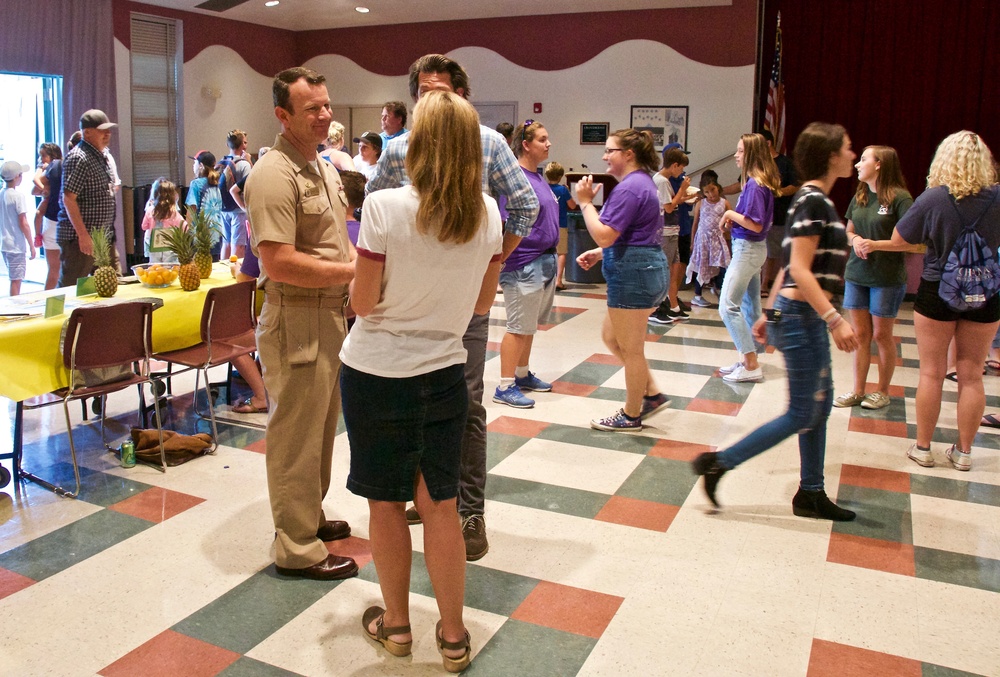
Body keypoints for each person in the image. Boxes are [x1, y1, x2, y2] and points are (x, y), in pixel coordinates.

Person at [342, 90, 502, 675]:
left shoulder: (384, 207)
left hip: (377, 373)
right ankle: (454, 637)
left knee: (386, 502)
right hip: (445, 372)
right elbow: (481, 303)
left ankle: (398, 626)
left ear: (418, 146)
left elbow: (362, 303)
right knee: (441, 504)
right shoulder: (488, 213)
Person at [366, 53, 539, 561]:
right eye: (423, 92)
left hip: (466, 304)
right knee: (410, 401)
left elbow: (524, 205)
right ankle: (428, 496)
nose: (431, 100)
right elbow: (374, 206)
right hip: (406, 301)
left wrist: (491, 261)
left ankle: (469, 511)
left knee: (465, 404)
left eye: (441, 91)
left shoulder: (488, 143)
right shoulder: (398, 148)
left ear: (462, 95)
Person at [693, 122, 860, 521]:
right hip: (806, 318)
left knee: (818, 408)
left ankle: (811, 492)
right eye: (848, 148)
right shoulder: (813, 201)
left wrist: (770, 311)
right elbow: (799, 268)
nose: (852, 155)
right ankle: (719, 463)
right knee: (803, 412)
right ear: (831, 156)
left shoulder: (813, 200)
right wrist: (834, 319)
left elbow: (787, 264)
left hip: (800, 316)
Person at [244, 66, 358, 581]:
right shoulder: (274, 174)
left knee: (321, 428)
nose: (325, 115)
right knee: (295, 435)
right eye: (312, 108)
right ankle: (295, 546)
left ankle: (308, 515)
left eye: (327, 105)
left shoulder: (323, 167)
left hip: (328, 315)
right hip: (296, 318)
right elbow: (279, 261)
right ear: (282, 115)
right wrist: (355, 272)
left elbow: (336, 241)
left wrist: (355, 281)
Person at [860, 131, 1000, 471]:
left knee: (932, 373)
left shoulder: (934, 198)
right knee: (972, 375)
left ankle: (923, 448)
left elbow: (899, 237)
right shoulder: (998, 197)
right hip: (986, 293)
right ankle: (964, 453)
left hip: (938, 289)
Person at [574, 129, 670, 431]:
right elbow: (632, 234)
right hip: (641, 267)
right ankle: (651, 394)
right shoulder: (640, 183)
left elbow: (604, 234)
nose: (605, 156)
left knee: (631, 349)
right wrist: (601, 253)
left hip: (634, 274)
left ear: (628, 154)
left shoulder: (630, 188)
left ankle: (631, 414)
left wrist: (585, 203)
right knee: (612, 338)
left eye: (609, 150)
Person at [832, 146, 915, 411]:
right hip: (857, 274)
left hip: (886, 278)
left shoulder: (900, 198)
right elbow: (849, 231)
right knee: (860, 334)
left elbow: (910, 242)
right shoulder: (860, 195)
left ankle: (882, 391)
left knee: (881, 335)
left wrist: (876, 245)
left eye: (864, 159)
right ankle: (858, 390)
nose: (858, 164)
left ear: (879, 164)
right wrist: (856, 240)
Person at [493, 121, 559, 409]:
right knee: (518, 326)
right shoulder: (516, 179)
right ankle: (505, 385)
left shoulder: (538, 177)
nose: (548, 144)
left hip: (544, 260)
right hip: (524, 262)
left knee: (528, 326)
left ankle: (521, 374)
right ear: (526, 144)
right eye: (542, 139)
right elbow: (507, 222)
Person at [716, 133, 781, 383]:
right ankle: (748, 358)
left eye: (740, 151)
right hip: (752, 249)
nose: (736, 155)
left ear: (752, 154)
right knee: (750, 305)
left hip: (748, 250)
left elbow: (755, 224)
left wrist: (729, 215)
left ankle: (751, 363)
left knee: (727, 306)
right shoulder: (756, 183)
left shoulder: (754, 184)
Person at [56, 109, 119, 287]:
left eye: (109, 130)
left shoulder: (101, 156)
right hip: (81, 241)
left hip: (103, 237)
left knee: (113, 284)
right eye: (102, 130)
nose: (107, 134)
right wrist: (83, 235)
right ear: (87, 132)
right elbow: (69, 199)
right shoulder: (79, 157)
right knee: (71, 287)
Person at [649, 146, 692, 324]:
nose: (682, 172)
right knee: (664, 270)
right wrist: (682, 189)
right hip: (665, 231)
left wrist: (685, 197)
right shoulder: (662, 181)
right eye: (681, 168)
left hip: (672, 230)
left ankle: (673, 305)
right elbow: (668, 207)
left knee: (674, 269)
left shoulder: (663, 181)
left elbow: (671, 202)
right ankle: (657, 308)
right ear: (674, 165)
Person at [760, 129, 800, 292]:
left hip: (778, 215)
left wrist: (776, 192)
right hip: (758, 216)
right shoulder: (758, 163)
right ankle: (758, 284)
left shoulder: (785, 163)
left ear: (768, 143)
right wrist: (721, 191)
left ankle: (765, 284)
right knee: (758, 250)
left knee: (772, 251)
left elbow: (795, 185)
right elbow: (741, 184)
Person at [686, 174, 732, 307]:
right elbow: (695, 223)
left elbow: (730, 221)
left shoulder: (724, 203)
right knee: (702, 265)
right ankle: (697, 295)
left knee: (722, 264)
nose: (711, 194)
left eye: (713, 190)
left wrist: (728, 236)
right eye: (707, 192)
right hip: (703, 240)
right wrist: (692, 242)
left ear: (718, 187)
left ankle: (719, 288)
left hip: (718, 238)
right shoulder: (701, 203)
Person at [1, 160, 37, 295]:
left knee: (14, 278)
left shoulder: (2, 193)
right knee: (16, 280)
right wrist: (31, 245)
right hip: (16, 245)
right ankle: (14, 305)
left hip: (5, 244)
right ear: (17, 177)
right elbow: (23, 223)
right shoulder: (18, 196)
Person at [31, 142, 63, 289]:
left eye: (43, 155)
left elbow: (34, 187)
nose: (41, 159)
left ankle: (48, 301)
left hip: (51, 222)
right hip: (62, 221)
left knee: (54, 270)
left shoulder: (50, 170)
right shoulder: (63, 167)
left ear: (52, 155)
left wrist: (45, 189)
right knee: (68, 270)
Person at [217, 129, 253, 260]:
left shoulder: (223, 162)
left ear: (228, 145)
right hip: (239, 209)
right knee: (238, 245)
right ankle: (235, 270)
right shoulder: (244, 164)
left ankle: (222, 269)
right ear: (243, 145)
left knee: (226, 244)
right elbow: (249, 185)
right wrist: (250, 162)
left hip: (224, 208)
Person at [545, 161, 576, 291]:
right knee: (561, 252)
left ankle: (545, 280)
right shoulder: (563, 190)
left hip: (546, 225)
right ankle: (558, 281)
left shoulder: (544, 188)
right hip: (561, 224)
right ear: (560, 176)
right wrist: (568, 192)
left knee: (545, 253)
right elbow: (572, 205)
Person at [140, 178, 183, 263]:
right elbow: (184, 227)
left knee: (155, 268)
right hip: (170, 246)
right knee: (171, 268)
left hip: (155, 246)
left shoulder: (150, 210)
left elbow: (144, 227)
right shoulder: (173, 212)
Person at [185, 150, 223, 234]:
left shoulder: (195, 184)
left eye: (195, 163)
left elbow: (192, 209)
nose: (193, 165)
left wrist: (186, 231)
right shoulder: (216, 183)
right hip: (216, 231)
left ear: (201, 165)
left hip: (200, 234)